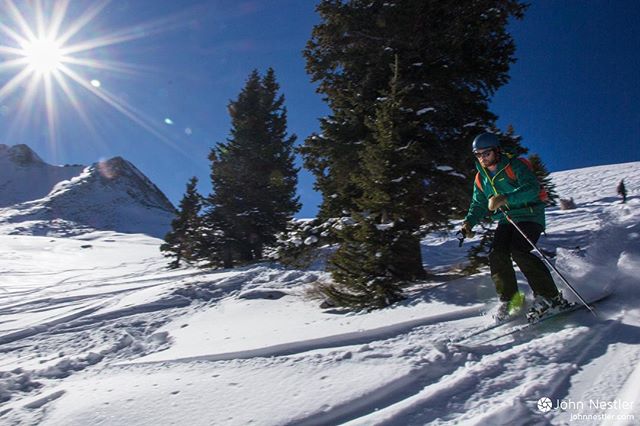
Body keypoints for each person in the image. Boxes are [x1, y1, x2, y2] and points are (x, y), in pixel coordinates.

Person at [460, 132, 570, 322]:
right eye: (478, 155)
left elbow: (532, 189)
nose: (483, 158)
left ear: (496, 150)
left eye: (486, 153)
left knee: (519, 251)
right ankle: (509, 299)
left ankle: (550, 297)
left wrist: (505, 198)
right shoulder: (481, 178)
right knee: (497, 254)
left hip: (529, 215)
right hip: (507, 219)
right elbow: (478, 204)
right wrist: (468, 223)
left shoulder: (514, 166)